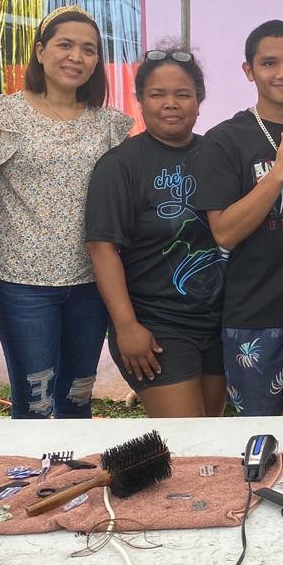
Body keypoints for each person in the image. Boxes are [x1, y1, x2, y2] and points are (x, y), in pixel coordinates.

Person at [0, 5, 133, 419]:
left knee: (79, 395)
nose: (76, 57)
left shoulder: (112, 125)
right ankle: (33, 481)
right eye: (65, 45)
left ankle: (72, 481)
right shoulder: (2, 114)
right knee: (36, 401)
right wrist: (7, 212)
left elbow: (123, 200)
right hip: (23, 283)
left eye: (89, 50)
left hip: (92, 283)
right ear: (41, 51)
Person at [192, 21, 283, 415]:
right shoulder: (225, 140)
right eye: (269, 63)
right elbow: (224, 233)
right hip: (253, 316)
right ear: (248, 71)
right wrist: (276, 176)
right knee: (257, 436)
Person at [84, 47, 226, 417]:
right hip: (157, 327)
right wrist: (127, 326)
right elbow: (102, 249)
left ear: (199, 100)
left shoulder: (217, 154)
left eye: (183, 94)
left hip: (219, 322)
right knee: (188, 443)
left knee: (213, 439)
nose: (171, 104)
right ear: (141, 101)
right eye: (157, 94)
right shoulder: (121, 165)